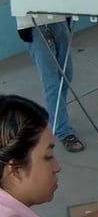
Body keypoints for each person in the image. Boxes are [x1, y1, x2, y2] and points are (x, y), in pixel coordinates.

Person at [16, 16, 84, 153]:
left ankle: (57, 117)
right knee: (51, 81)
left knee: (66, 75)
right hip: (34, 23)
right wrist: (23, 26)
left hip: (59, 18)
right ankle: (63, 131)